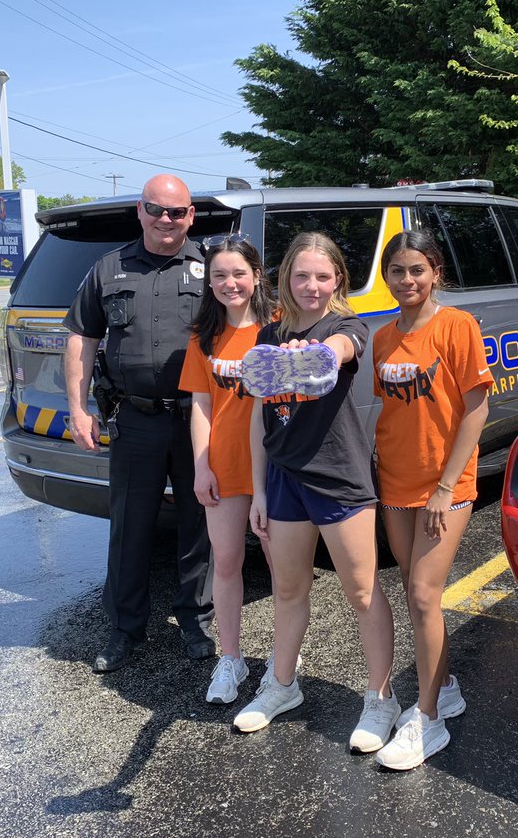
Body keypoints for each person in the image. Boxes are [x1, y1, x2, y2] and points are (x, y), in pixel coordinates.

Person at [232, 231, 399, 754]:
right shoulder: (266, 339)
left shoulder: (346, 326)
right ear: (285, 278)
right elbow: (261, 426)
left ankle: (381, 698)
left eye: (322, 276)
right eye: (301, 275)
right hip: (284, 482)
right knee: (287, 590)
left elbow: (338, 351)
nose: (312, 285)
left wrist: (313, 358)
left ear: (338, 282)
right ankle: (283, 685)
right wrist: (258, 493)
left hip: (338, 478)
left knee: (362, 591)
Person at [64, 173, 214, 673]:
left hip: (199, 418)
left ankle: (196, 620)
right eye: (156, 209)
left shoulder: (213, 268)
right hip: (136, 418)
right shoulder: (108, 269)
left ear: (190, 215)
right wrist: (78, 408)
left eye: (176, 211)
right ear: (140, 211)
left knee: (199, 524)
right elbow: (81, 338)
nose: (166, 220)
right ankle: (125, 628)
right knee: (129, 528)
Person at [370, 230, 491, 770]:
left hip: (446, 487)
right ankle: (443, 686)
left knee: (423, 594)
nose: (406, 280)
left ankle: (428, 720)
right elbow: (393, 412)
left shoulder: (456, 326)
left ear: (435, 272)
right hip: (394, 482)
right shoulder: (381, 337)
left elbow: (476, 408)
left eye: (417, 270)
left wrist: (445, 486)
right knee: (412, 592)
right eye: (397, 270)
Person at [179, 235, 276, 703]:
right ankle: (231, 658)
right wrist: (202, 466)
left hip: (272, 469)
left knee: (283, 567)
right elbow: (200, 404)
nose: (229, 283)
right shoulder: (204, 333)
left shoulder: (278, 328)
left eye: (238, 273)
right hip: (222, 466)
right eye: (219, 275)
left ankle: (283, 658)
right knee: (228, 562)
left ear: (256, 275)